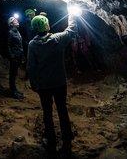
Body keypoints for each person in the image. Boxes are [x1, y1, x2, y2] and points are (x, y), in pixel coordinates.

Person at [27, 12, 77, 155]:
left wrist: (33, 84)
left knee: (47, 112)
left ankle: (51, 141)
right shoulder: (58, 39)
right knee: (62, 110)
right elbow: (72, 30)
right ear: (47, 26)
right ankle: (67, 140)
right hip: (60, 82)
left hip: (44, 85)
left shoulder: (32, 45)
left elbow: (31, 67)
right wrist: (72, 12)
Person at [6, 16, 25, 99]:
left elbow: (20, 45)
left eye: (17, 20)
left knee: (15, 73)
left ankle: (14, 90)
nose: (17, 21)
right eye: (15, 21)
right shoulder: (10, 32)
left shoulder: (17, 32)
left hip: (18, 55)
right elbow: (8, 45)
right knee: (13, 74)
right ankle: (12, 91)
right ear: (11, 24)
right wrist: (12, 56)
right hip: (14, 56)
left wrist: (22, 56)